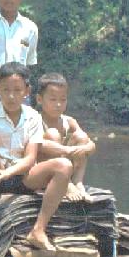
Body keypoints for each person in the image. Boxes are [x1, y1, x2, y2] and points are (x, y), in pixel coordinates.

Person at [0, 62, 73, 250]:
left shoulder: (32, 117)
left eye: (17, 90)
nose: (11, 96)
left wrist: (8, 173)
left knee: (64, 165)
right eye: (5, 90)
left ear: (27, 91)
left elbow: (30, 159)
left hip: (23, 175)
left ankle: (38, 230)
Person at [36, 73, 96, 201]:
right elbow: (39, 146)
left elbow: (90, 145)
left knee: (81, 136)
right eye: (53, 100)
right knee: (52, 134)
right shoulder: (34, 121)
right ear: (40, 100)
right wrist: (66, 150)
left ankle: (77, 182)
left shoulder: (69, 121)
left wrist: (87, 147)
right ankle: (66, 184)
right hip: (47, 170)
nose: (58, 104)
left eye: (62, 100)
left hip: (67, 167)